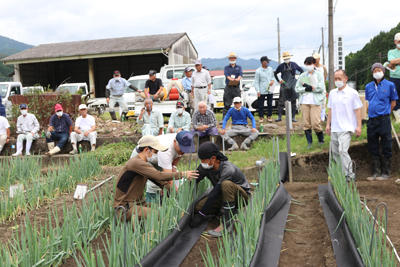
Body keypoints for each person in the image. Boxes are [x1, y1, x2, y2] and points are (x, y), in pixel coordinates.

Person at [113, 135, 198, 220]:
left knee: (164, 211)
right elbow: (159, 176)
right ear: (147, 150)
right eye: (156, 151)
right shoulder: (136, 163)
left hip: (138, 203)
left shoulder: (145, 165)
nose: (157, 154)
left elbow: (160, 181)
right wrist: (182, 174)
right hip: (125, 208)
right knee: (158, 215)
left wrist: (178, 196)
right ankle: (137, 229)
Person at [191, 142, 251, 237]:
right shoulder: (205, 167)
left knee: (226, 184)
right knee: (197, 207)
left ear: (213, 158)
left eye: (204, 160)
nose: (202, 163)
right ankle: (225, 210)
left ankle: (227, 223)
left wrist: (202, 215)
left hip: (241, 197)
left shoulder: (228, 169)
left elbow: (215, 193)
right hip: (222, 194)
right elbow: (194, 179)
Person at [130, 131, 195, 203]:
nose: (183, 152)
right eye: (182, 149)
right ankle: (149, 203)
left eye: (185, 149)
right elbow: (168, 178)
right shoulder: (166, 151)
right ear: (175, 142)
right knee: (153, 182)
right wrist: (178, 196)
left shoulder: (183, 140)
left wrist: (167, 187)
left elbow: (173, 164)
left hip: (157, 158)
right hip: (145, 154)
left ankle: (161, 202)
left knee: (170, 182)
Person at [326, 70, 362, 181]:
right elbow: (330, 110)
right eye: (335, 79)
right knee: (335, 153)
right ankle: (339, 174)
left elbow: (357, 110)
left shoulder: (352, 93)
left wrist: (359, 126)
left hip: (347, 127)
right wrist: (328, 125)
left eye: (339, 78)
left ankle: (349, 175)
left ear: (345, 78)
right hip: (335, 128)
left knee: (342, 150)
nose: (337, 81)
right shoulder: (332, 93)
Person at [365, 63, 398, 181]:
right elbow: (368, 101)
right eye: (374, 70)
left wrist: (386, 113)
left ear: (383, 71)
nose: (376, 72)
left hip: (384, 119)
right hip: (372, 120)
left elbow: (393, 102)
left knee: (386, 144)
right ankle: (375, 172)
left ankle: (386, 172)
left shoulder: (390, 85)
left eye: (379, 70)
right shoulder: (368, 86)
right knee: (372, 145)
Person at [295, 56, 326, 148]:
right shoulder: (302, 76)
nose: (308, 66)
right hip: (304, 101)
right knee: (306, 123)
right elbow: (297, 88)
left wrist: (312, 88)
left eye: (310, 64)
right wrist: (305, 88)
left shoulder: (319, 75)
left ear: (314, 64)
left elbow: (321, 88)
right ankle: (309, 143)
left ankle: (321, 140)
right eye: (307, 64)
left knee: (315, 123)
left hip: (315, 101)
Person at [274, 51, 304, 122]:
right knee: (281, 101)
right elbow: (275, 73)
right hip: (284, 84)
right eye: (285, 58)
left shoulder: (294, 64)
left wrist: (298, 79)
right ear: (283, 59)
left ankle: (293, 117)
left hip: (293, 83)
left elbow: (301, 71)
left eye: (287, 58)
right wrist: (279, 80)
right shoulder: (281, 66)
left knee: (293, 101)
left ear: (289, 58)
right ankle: (279, 117)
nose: (286, 59)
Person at [254, 56, 275, 122]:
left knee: (270, 104)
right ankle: (261, 117)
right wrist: (258, 90)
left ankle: (269, 116)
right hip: (262, 90)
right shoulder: (258, 71)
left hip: (270, 90)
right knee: (261, 104)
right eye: (266, 61)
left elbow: (273, 77)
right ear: (262, 62)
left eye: (268, 61)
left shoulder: (270, 69)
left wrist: (272, 81)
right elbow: (256, 82)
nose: (267, 63)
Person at [223, 52, 243, 118]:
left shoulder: (239, 67)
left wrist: (238, 79)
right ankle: (225, 118)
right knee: (227, 103)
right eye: (231, 58)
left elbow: (240, 75)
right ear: (229, 59)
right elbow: (227, 75)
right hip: (228, 87)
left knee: (238, 102)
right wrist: (230, 79)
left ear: (235, 58)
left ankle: (239, 117)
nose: (232, 59)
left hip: (236, 87)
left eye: (233, 58)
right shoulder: (226, 67)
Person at [387, 32, 400, 118]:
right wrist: (394, 62)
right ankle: (398, 119)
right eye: (399, 41)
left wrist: (396, 61)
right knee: (395, 98)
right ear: (395, 41)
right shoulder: (391, 52)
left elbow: (394, 62)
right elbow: (391, 62)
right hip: (395, 78)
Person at [313, 53, 328, 122]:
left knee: (323, 101)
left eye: (316, 59)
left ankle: (323, 116)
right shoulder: (312, 67)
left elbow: (325, 75)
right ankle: (316, 116)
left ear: (319, 59)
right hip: (314, 87)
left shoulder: (323, 67)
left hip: (322, 86)